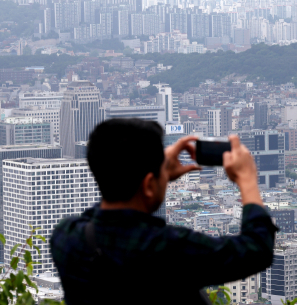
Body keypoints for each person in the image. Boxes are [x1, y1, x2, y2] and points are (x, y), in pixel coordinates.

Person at [51, 119, 278, 305]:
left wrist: (153, 177)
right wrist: (247, 180)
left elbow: (102, 216)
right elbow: (256, 249)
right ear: (149, 184)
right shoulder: (167, 247)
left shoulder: (66, 237)